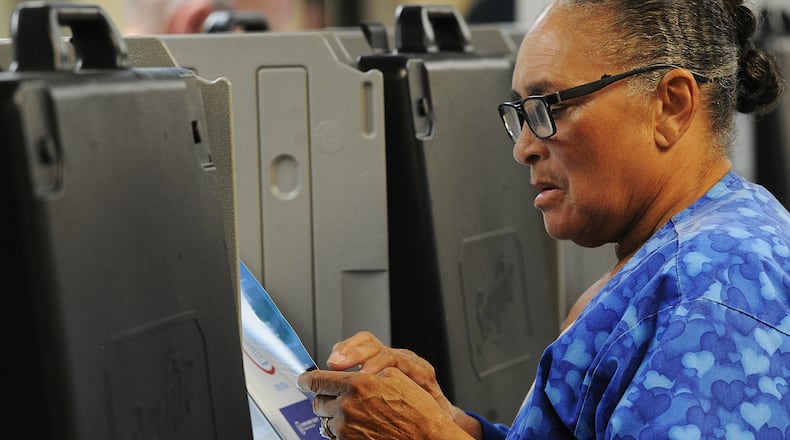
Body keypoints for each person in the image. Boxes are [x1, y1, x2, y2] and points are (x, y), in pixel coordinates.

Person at [297, 0, 790, 438]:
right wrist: (446, 421)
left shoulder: (708, 291)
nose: (524, 147)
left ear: (671, 106)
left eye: (549, 106)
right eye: (520, 113)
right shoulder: (693, 251)